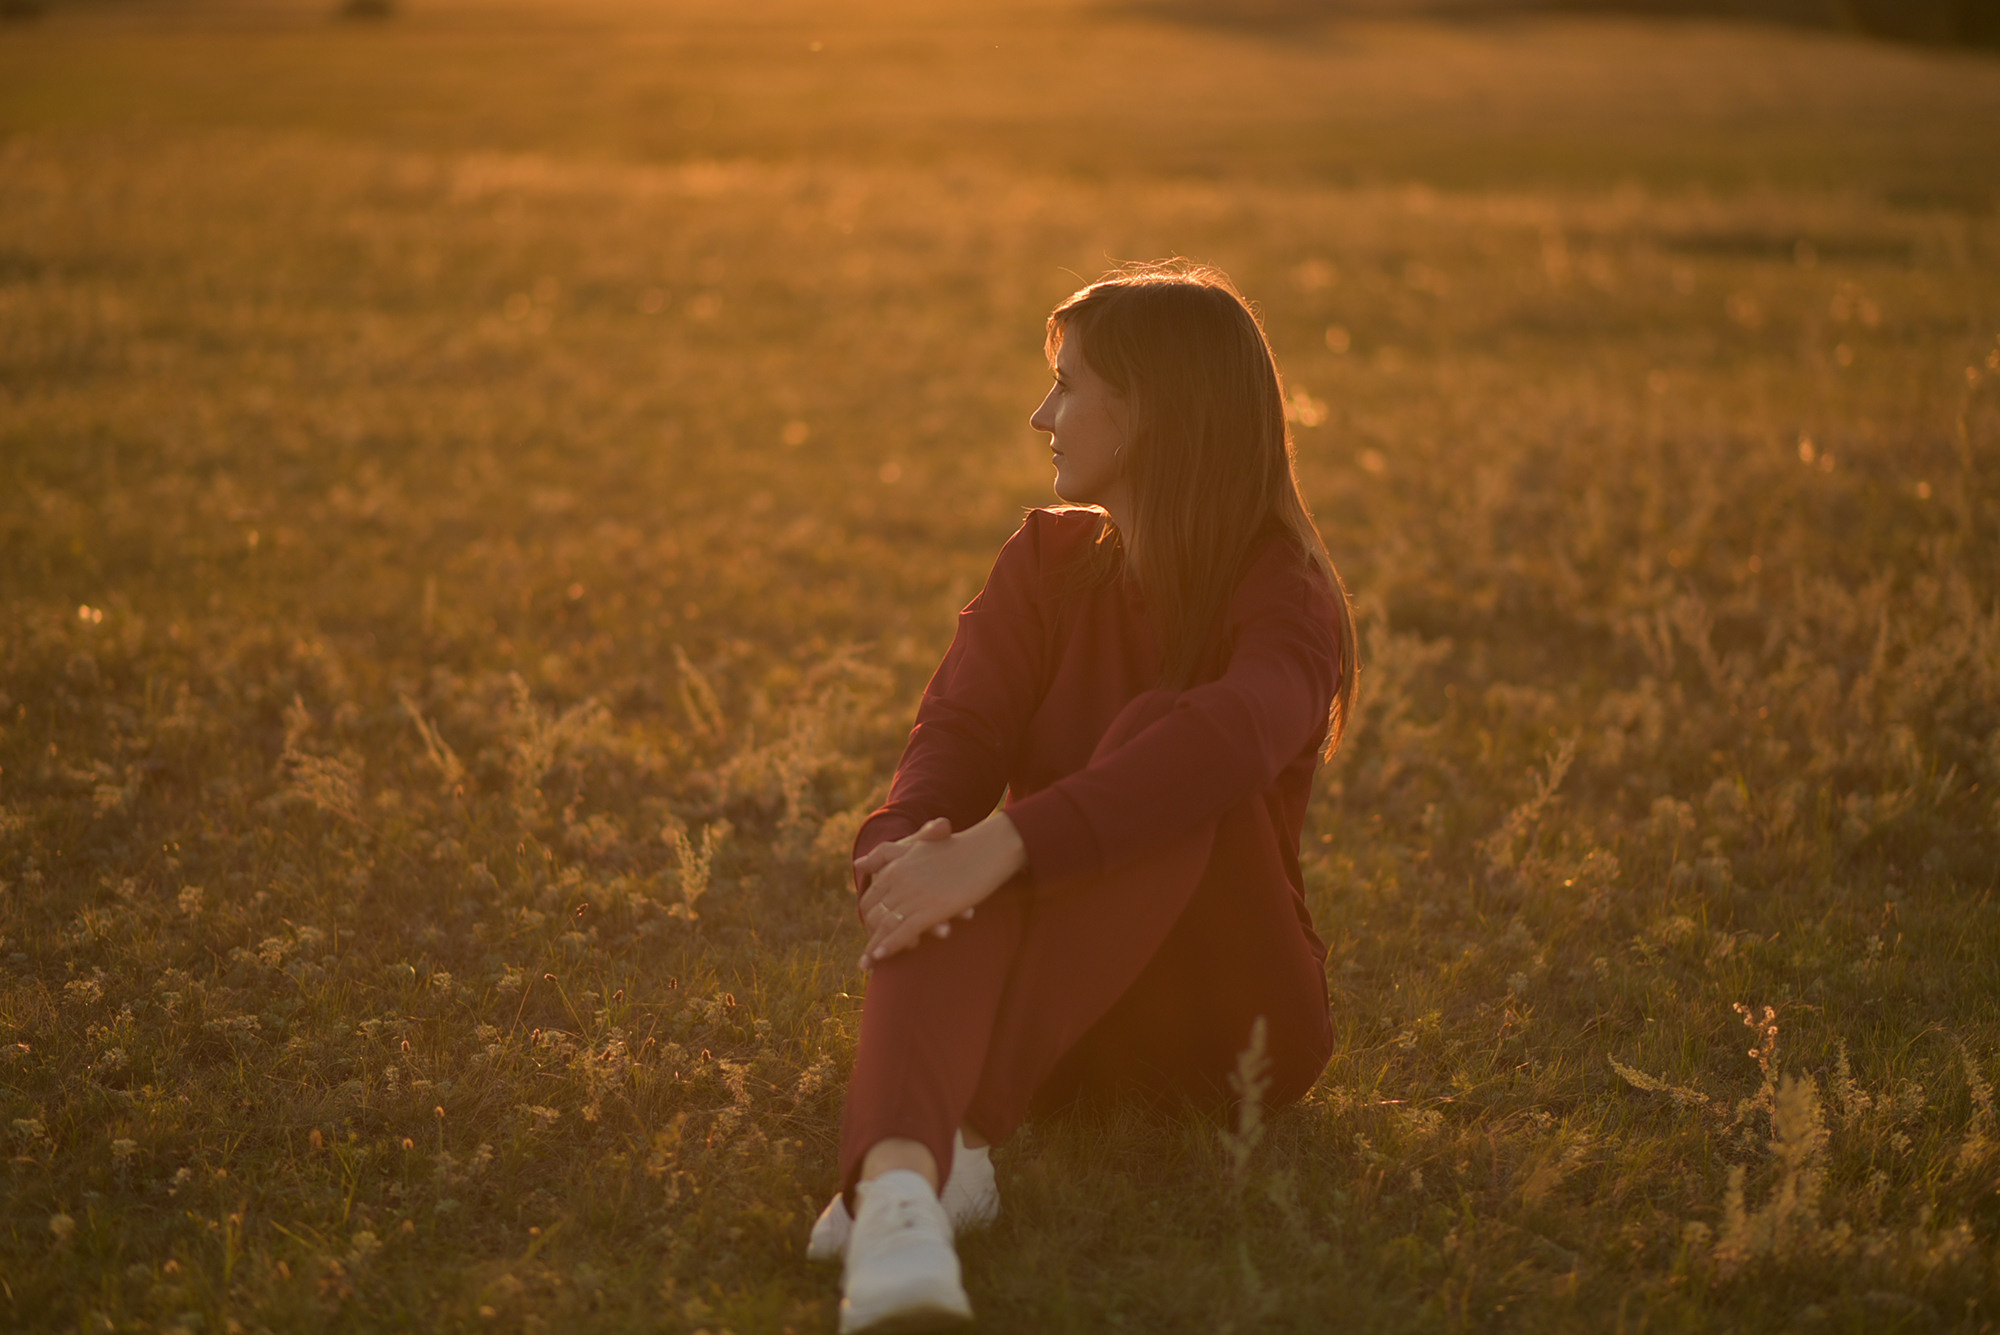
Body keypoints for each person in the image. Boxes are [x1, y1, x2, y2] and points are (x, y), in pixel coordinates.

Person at [813, 261, 1358, 1333]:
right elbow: (955, 737)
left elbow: (1232, 738)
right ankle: (901, 1204)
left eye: (1068, 386)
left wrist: (1005, 844)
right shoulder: (1045, 561)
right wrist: (903, 850)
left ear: (1151, 411)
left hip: (1229, 1023)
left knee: (1164, 736)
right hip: (1058, 1026)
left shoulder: (1285, 594)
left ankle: (948, 1136)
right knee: (937, 848)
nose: (1040, 414)